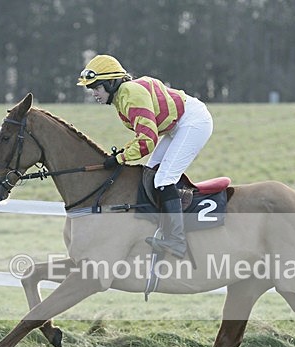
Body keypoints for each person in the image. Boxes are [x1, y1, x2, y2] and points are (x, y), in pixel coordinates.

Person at [77, 54, 213, 258]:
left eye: (97, 87)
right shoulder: (123, 96)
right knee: (151, 174)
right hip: (177, 124)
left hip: (193, 122)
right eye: (92, 89)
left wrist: (120, 158)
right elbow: (146, 136)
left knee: (164, 179)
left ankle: (177, 241)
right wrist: (123, 154)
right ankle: (160, 226)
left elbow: (147, 141)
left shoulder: (130, 95)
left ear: (112, 83)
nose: (94, 93)